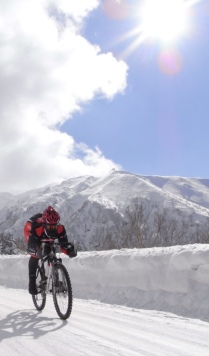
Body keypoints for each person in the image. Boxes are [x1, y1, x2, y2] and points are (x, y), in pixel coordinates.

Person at [24, 205, 77, 295]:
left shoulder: (60, 229)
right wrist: (36, 250)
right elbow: (31, 248)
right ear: (44, 224)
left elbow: (63, 245)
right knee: (35, 254)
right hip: (30, 231)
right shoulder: (37, 228)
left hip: (45, 236)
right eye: (50, 227)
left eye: (54, 226)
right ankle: (32, 281)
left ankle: (53, 275)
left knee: (50, 249)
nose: (53, 228)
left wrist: (69, 251)